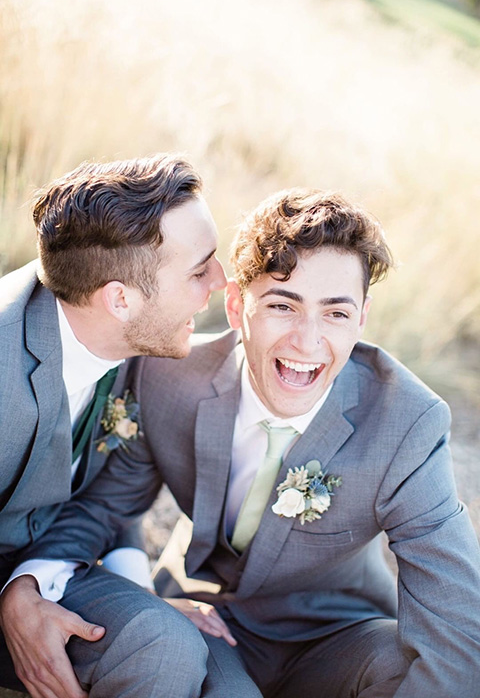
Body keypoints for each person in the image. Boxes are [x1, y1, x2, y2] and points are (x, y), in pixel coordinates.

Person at [20, 189, 480, 696]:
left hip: (338, 633)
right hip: (210, 620)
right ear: (238, 304)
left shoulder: (407, 422)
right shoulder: (166, 377)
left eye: (336, 313)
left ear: (362, 317)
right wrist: (32, 586)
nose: (307, 342)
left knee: (408, 670)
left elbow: (455, 613)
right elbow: (103, 509)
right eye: (283, 305)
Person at [0, 153, 229, 698]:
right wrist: (14, 611)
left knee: (175, 649)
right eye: (200, 269)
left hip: (46, 565)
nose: (223, 280)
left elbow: (105, 493)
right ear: (119, 299)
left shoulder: (131, 336)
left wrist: (135, 594)